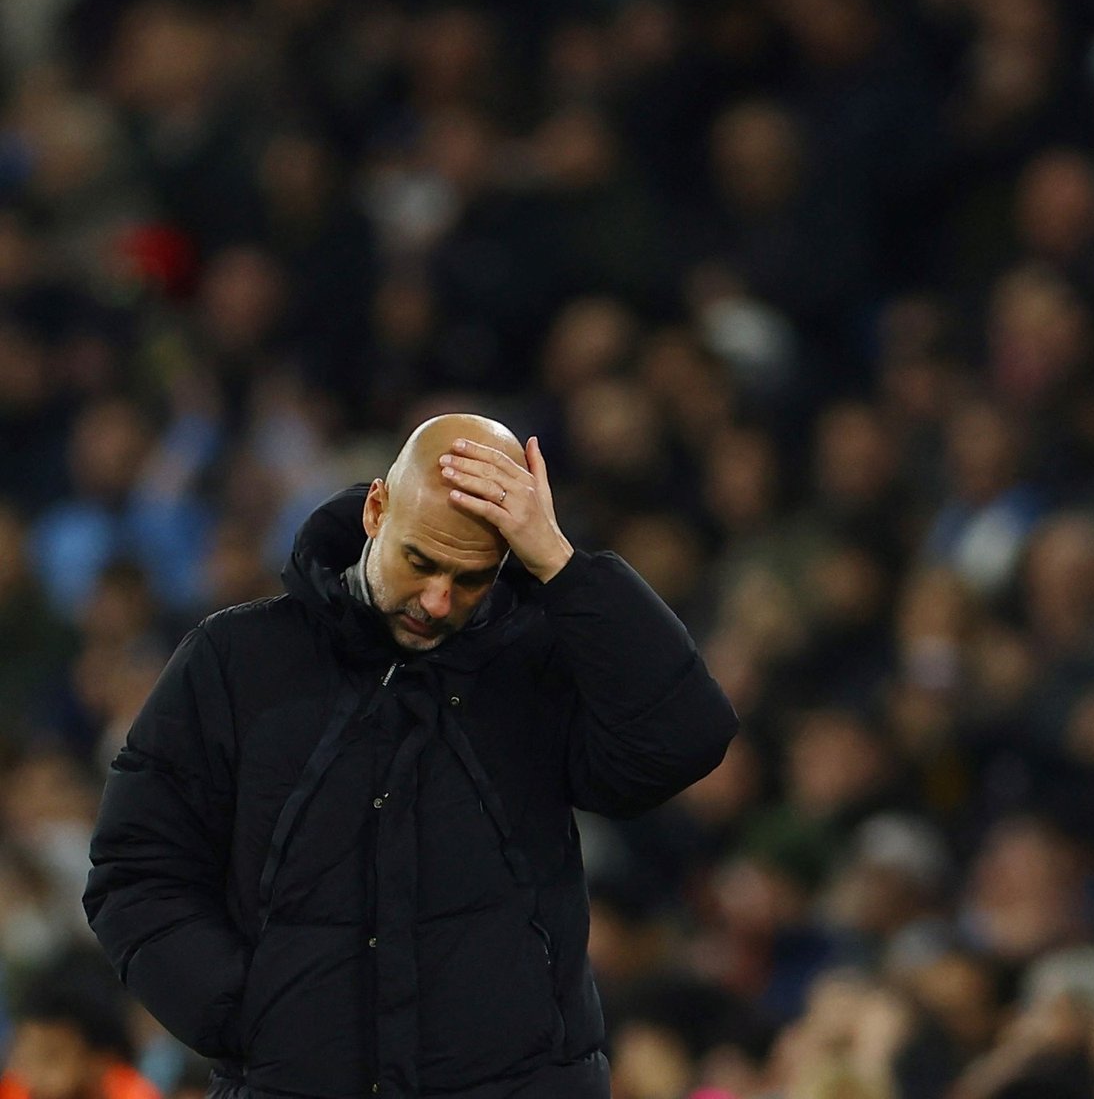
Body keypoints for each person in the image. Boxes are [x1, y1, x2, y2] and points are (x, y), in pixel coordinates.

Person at [81, 414, 739, 1098]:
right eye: (420, 561)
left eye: (472, 578)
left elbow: (685, 737)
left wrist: (564, 567)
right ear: (375, 509)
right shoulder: (238, 660)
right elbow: (137, 867)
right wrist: (250, 1017)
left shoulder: (537, 660)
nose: (437, 600)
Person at [0, 951, 162, 1099]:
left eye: (51, 1058)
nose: (31, 1077)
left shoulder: (134, 1093)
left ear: (102, 1060)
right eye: (23, 1058)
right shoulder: (13, 1090)